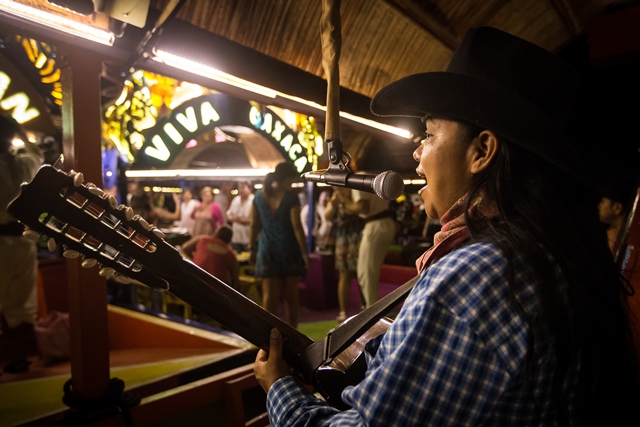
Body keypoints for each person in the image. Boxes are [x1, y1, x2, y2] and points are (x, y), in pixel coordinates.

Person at [254, 27, 640, 426]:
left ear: (482, 151)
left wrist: (280, 388)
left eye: (429, 133)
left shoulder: (475, 276)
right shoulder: (553, 254)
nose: (417, 151)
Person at [0, 114, 44, 373]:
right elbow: (37, 151)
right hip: (23, 240)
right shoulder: (28, 163)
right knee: (23, 301)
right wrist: (20, 130)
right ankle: (18, 358)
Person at [250, 162, 309, 328]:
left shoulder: (259, 196)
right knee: (291, 296)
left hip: (266, 249)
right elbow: (297, 227)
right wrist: (305, 255)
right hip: (288, 248)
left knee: (269, 296)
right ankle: (293, 333)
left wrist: (251, 249)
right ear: (287, 178)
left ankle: (267, 332)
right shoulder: (291, 197)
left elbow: (254, 225)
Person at [324, 187, 364, 322]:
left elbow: (359, 209)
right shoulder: (335, 197)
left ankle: (365, 307)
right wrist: (334, 204)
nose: (337, 188)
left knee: (361, 273)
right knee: (344, 274)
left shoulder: (354, 192)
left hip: (357, 234)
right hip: (343, 237)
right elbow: (327, 215)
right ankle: (343, 311)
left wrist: (345, 200)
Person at [351, 188, 396, 307]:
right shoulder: (374, 175)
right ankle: (370, 309)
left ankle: (371, 313)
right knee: (369, 271)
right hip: (385, 223)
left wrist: (345, 203)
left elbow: (362, 207)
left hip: (375, 225)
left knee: (366, 272)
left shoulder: (359, 178)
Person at [182, 225, 239, 290]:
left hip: (195, 276)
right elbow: (235, 277)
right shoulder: (230, 252)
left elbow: (185, 247)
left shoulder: (202, 239)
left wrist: (193, 258)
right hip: (217, 285)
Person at [598, 174, 636, 252]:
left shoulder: (633, 237)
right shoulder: (611, 235)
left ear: (617, 208)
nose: (599, 206)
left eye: (602, 202)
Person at [226, 181, 254, 252]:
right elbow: (228, 214)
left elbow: (254, 220)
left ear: (249, 189)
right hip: (236, 238)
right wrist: (235, 219)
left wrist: (237, 219)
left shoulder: (253, 200)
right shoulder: (236, 200)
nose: (241, 190)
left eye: (243, 188)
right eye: (240, 188)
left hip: (248, 239)